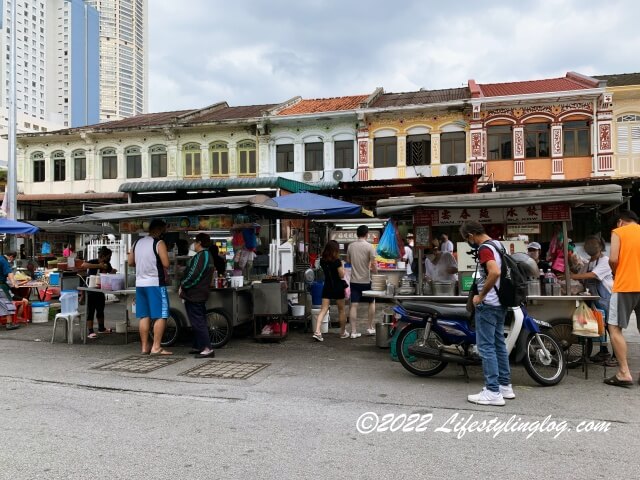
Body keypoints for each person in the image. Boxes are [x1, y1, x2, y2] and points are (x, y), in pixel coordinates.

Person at [460, 220, 513, 406]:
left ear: (470, 236)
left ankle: (492, 391)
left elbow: (495, 272)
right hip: (500, 303)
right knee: (499, 344)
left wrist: (481, 296)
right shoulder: (498, 244)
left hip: (489, 304)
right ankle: (504, 386)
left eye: (467, 239)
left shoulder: (484, 248)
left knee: (486, 347)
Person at [605, 210, 640, 388]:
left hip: (626, 285)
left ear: (620, 222)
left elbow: (613, 258)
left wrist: (615, 271)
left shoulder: (619, 232)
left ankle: (624, 372)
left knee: (614, 327)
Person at [127, 218, 172, 356]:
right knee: (161, 315)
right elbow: (166, 263)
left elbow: (130, 262)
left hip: (140, 284)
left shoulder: (136, 243)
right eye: (164, 230)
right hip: (155, 284)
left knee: (144, 316)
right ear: (159, 230)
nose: (164, 232)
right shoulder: (159, 243)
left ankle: (144, 347)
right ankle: (156, 347)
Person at [568, 235, 614, 365]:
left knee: (611, 326)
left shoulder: (605, 261)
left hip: (606, 297)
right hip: (593, 298)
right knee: (599, 325)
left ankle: (615, 355)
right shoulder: (588, 263)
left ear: (600, 246)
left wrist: (571, 275)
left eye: (593, 243)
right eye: (588, 243)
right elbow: (581, 276)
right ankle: (603, 352)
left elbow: (593, 275)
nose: (590, 246)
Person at [180, 233, 215, 358]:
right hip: (199, 293)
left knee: (198, 321)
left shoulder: (202, 256)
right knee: (197, 321)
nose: (193, 244)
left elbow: (194, 275)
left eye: (195, 242)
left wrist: (183, 285)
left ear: (199, 242)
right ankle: (198, 345)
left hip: (195, 294)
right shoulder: (206, 256)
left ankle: (207, 348)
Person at [313, 240, 348, 342]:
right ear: (335, 250)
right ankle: (342, 332)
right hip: (338, 287)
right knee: (341, 310)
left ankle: (317, 331)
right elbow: (341, 275)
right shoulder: (337, 261)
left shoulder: (323, 261)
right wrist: (342, 266)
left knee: (323, 310)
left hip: (327, 286)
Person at [346, 225, 377, 338]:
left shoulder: (351, 246)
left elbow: (348, 260)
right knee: (371, 302)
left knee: (354, 305)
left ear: (357, 234)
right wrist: (376, 273)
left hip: (354, 281)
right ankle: (369, 327)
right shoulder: (369, 247)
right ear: (367, 234)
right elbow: (373, 264)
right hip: (366, 281)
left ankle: (353, 332)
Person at [80, 247, 116, 338]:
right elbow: (83, 265)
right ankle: (90, 331)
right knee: (90, 311)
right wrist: (99, 266)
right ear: (103, 256)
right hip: (91, 289)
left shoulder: (107, 264)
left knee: (100, 310)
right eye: (109, 256)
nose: (110, 258)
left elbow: (110, 272)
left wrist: (113, 271)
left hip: (101, 290)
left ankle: (101, 328)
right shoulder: (93, 261)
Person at [0, 252, 19, 330]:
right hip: (1, 286)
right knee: (7, 302)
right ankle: (9, 323)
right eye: (12, 259)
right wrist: (14, 283)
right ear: (11, 257)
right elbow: (9, 273)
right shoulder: (4, 261)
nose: (11, 261)